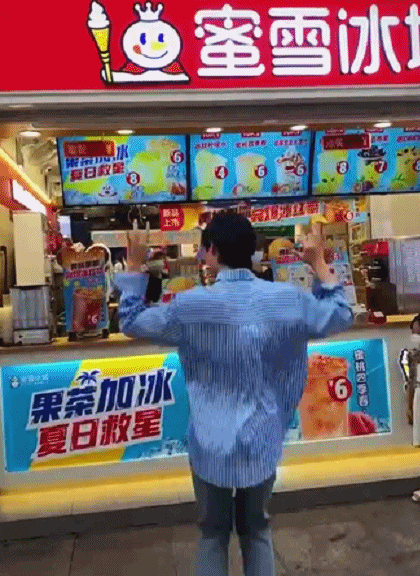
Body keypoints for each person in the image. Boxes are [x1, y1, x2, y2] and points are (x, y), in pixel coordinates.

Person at [114, 214, 353, 576]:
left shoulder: (190, 305)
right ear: (253, 252)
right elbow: (340, 313)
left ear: (212, 251)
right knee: (256, 531)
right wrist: (318, 263)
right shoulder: (287, 299)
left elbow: (131, 321)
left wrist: (134, 267)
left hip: (209, 442)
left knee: (212, 534)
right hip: (263, 440)